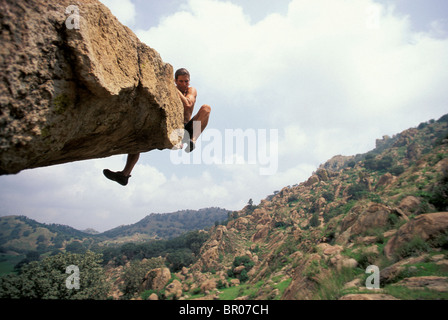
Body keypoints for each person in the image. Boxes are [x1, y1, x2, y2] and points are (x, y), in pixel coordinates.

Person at [103, 68, 211, 186]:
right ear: (175, 80)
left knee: (206, 108)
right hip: (172, 127)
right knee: (138, 139)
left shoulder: (191, 90)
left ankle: (192, 141)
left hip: (187, 128)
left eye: (186, 81)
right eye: (181, 82)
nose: (184, 84)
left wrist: (175, 89)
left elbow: (188, 103)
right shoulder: (170, 90)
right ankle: (124, 175)